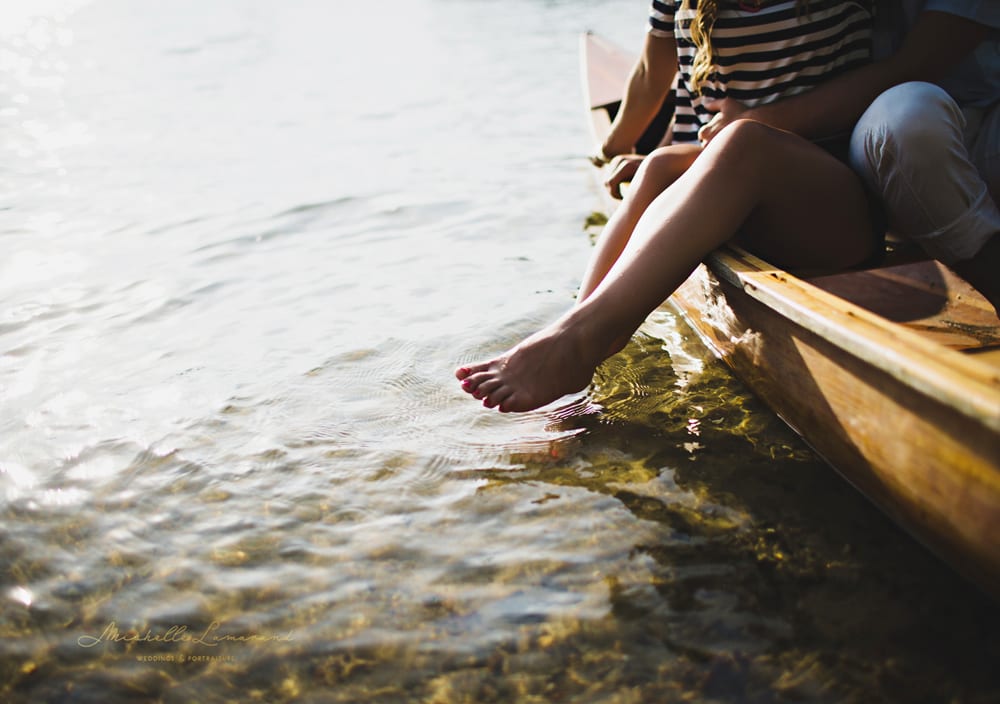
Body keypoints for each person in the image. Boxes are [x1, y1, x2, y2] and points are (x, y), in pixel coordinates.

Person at [456, 0, 880, 413]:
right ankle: (576, 353)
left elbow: (904, 69)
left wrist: (764, 118)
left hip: (828, 202)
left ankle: (577, 341)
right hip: (737, 185)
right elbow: (649, 74)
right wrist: (612, 149)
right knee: (659, 165)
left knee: (746, 140)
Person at [693, 2, 1000, 311]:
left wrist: (755, 119)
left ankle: (986, 274)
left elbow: (917, 63)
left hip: (972, 121)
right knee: (908, 120)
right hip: (879, 140)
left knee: (910, 119)